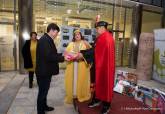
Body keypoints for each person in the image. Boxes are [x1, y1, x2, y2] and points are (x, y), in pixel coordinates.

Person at [78, 21, 115, 114]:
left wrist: (83, 54)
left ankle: (107, 105)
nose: (97, 30)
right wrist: (83, 53)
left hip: (105, 67)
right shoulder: (101, 37)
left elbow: (96, 51)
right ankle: (97, 99)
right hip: (98, 64)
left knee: (105, 84)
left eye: (98, 28)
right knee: (97, 83)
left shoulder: (107, 38)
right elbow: (95, 50)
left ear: (103, 27)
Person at [35, 23, 69, 114]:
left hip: (45, 71)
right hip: (43, 72)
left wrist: (61, 55)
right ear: (51, 30)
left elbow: (51, 54)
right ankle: (40, 111)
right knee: (42, 92)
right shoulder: (45, 40)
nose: (56, 35)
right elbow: (49, 56)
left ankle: (44, 106)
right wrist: (63, 58)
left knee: (44, 91)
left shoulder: (47, 39)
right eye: (56, 33)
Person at [64, 29, 91, 104]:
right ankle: (74, 94)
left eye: (78, 34)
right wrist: (69, 55)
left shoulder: (85, 43)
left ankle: (81, 94)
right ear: (74, 36)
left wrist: (82, 56)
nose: (77, 36)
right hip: (72, 65)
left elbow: (90, 53)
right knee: (73, 79)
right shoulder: (70, 44)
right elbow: (66, 53)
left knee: (81, 79)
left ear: (81, 35)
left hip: (82, 65)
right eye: (75, 35)